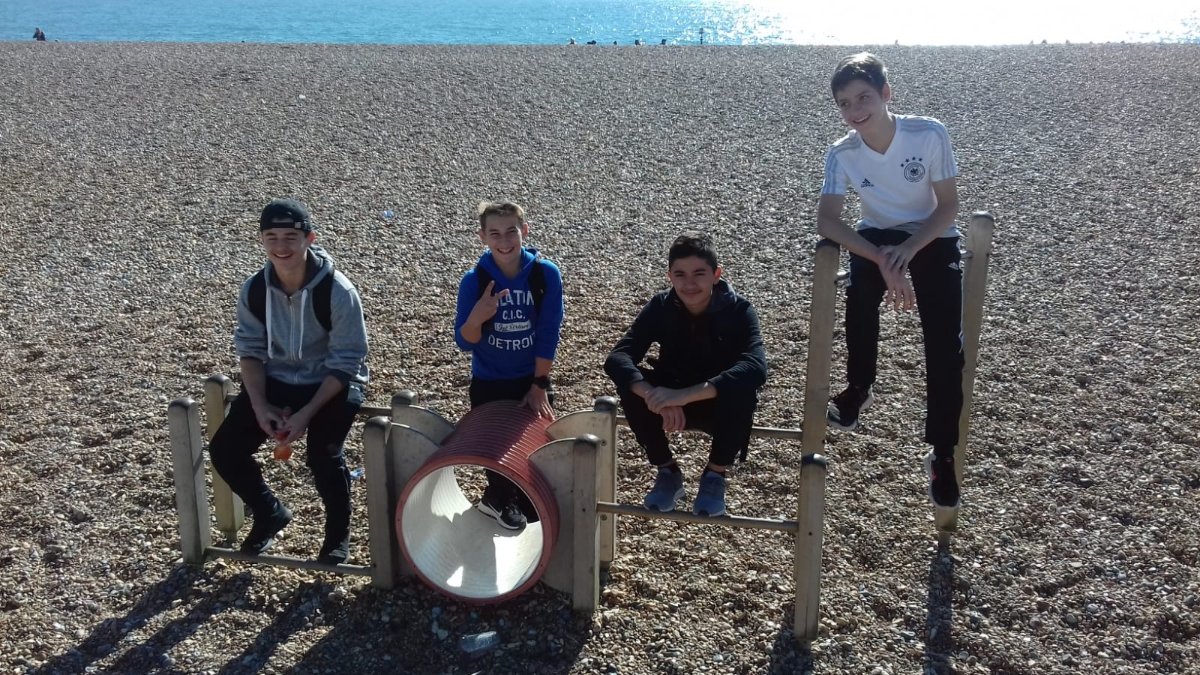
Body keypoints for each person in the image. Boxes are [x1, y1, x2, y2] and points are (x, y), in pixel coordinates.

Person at [815, 52, 964, 508]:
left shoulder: (928, 133)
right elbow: (827, 221)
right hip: (877, 235)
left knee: (944, 342)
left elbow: (948, 206)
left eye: (864, 97)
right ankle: (858, 389)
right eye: (844, 103)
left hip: (931, 233)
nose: (855, 110)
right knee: (860, 292)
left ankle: (941, 453)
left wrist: (909, 250)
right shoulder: (842, 153)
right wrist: (883, 258)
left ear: (886, 94)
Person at [209, 198, 369, 564]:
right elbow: (250, 351)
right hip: (279, 377)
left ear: (310, 239)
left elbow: (346, 361)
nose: (281, 247)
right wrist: (260, 405)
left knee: (323, 455)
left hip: (334, 381)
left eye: (290, 237)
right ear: (261, 240)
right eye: (272, 237)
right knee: (225, 450)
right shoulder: (254, 290)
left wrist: (306, 415)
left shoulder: (338, 291)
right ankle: (269, 513)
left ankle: (337, 536)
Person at [604, 233, 767, 517]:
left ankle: (715, 475)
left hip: (717, 405)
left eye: (699, 274)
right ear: (670, 276)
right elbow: (618, 357)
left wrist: (682, 396)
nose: (689, 283)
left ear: (716, 274)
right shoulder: (661, 306)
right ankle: (667, 471)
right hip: (668, 398)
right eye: (680, 274)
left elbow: (756, 366)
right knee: (631, 384)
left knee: (742, 388)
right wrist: (656, 397)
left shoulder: (739, 310)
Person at [454, 200, 565, 530]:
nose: (504, 241)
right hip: (489, 380)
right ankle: (499, 498)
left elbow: (548, 332)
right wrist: (478, 316)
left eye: (510, 232)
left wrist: (539, 383)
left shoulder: (545, 275)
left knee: (536, 447)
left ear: (524, 231)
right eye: (495, 234)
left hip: (531, 377)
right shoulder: (475, 281)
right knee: (496, 448)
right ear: (482, 237)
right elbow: (465, 341)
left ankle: (520, 502)